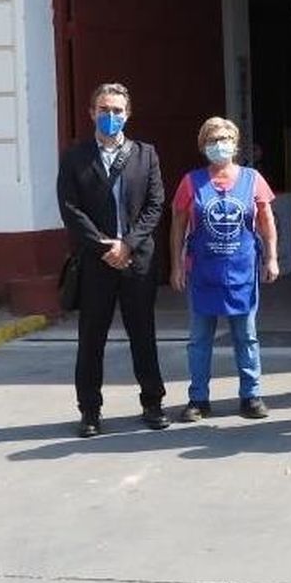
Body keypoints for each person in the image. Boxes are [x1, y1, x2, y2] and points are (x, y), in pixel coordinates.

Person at [56, 82, 168, 438]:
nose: (111, 116)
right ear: (92, 112)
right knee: (91, 337)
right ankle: (90, 410)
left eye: (118, 110)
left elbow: (155, 206)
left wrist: (128, 245)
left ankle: (153, 402)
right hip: (95, 260)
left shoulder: (145, 154)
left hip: (136, 260)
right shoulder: (75, 157)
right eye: (104, 109)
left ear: (128, 114)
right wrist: (104, 247)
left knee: (143, 333)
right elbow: (70, 208)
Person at [168, 117, 279, 422]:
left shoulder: (252, 179)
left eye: (226, 139)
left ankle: (251, 395)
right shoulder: (191, 182)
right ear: (204, 146)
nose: (220, 145)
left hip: (242, 272)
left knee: (246, 336)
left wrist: (271, 258)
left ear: (236, 144)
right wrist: (176, 264)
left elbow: (266, 221)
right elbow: (177, 225)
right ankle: (198, 399)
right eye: (213, 140)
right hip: (202, 272)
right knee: (199, 339)